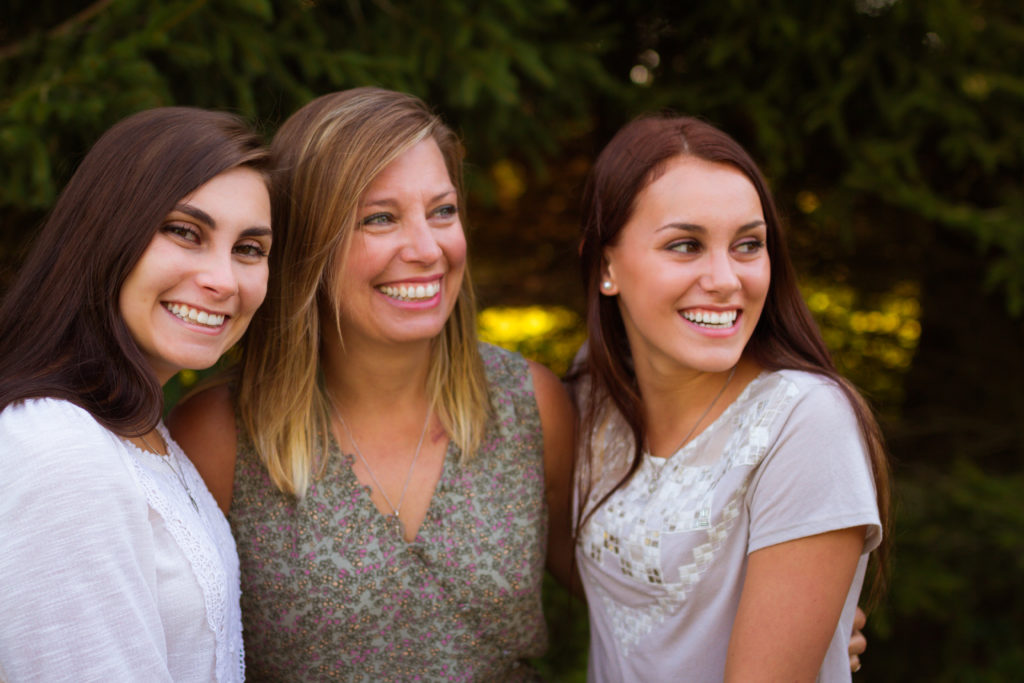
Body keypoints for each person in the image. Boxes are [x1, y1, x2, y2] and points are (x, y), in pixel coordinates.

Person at [169, 87, 576, 681]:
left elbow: (628, 593)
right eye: (379, 218)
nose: (427, 248)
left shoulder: (529, 404)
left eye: (442, 211)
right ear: (309, 243)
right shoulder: (218, 435)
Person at [571, 114, 890, 682]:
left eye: (748, 245)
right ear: (606, 265)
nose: (724, 279)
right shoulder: (594, 397)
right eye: (686, 245)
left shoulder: (804, 421)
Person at [0, 107, 272, 682]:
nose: (223, 279)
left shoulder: (138, 432)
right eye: (184, 231)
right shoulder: (58, 443)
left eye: (249, 248)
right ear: (107, 232)